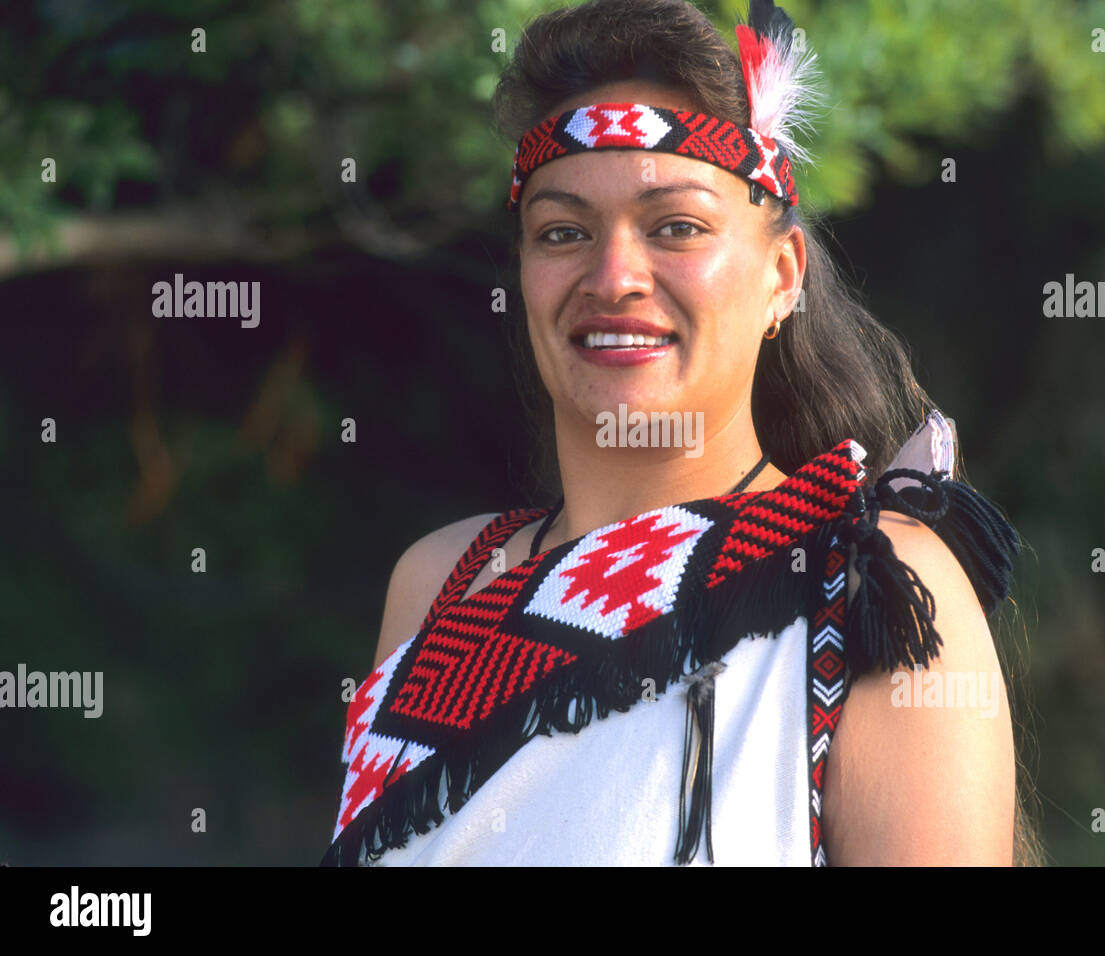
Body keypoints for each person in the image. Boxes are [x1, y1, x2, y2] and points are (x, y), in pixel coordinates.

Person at [322, 0, 1034, 866]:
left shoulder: (868, 581)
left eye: (677, 227)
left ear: (781, 278)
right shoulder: (440, 584)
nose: (613, 276)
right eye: (562, 231)